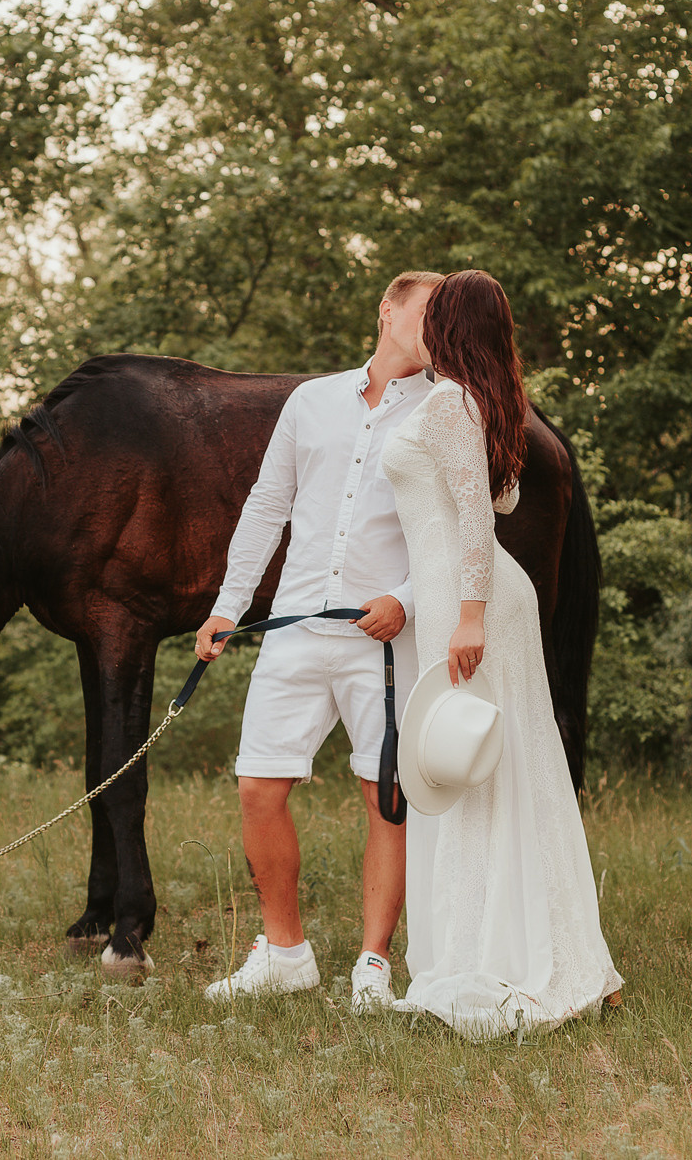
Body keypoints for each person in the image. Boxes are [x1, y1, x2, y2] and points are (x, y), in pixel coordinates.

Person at [380, 269, 622, 1039]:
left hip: (470, 597)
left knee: (477, 766)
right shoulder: (484, 401)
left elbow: (478, 525)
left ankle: (491, 953)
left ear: (448, 322)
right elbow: (501, 498)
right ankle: (555, 947)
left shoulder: (451, 401)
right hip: (472, 596)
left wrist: (468, 616)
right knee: (509, 762)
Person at [194, 271, 442, 1013]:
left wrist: (406, 598)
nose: (437, 329)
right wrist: (227, 606)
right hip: (295, 627)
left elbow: (467, 530)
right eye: (429, 313)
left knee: (385, 797)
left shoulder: (447, 407)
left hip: (387, 635)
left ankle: (373, 963)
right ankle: (285, 950)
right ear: (388, 310)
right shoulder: (311, 401)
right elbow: (269, 504)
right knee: (258, 785)